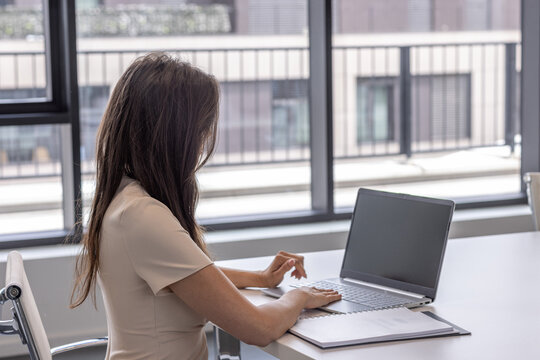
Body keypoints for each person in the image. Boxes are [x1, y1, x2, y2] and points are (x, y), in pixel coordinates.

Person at [70, 52, 341, 360]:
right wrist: (298, 296)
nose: (204, 140)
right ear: (178, 134)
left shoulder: (125, 198)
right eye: (203, 128)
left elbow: (190, 276)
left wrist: (260, 278)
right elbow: (259, 329)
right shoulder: (143, 217)